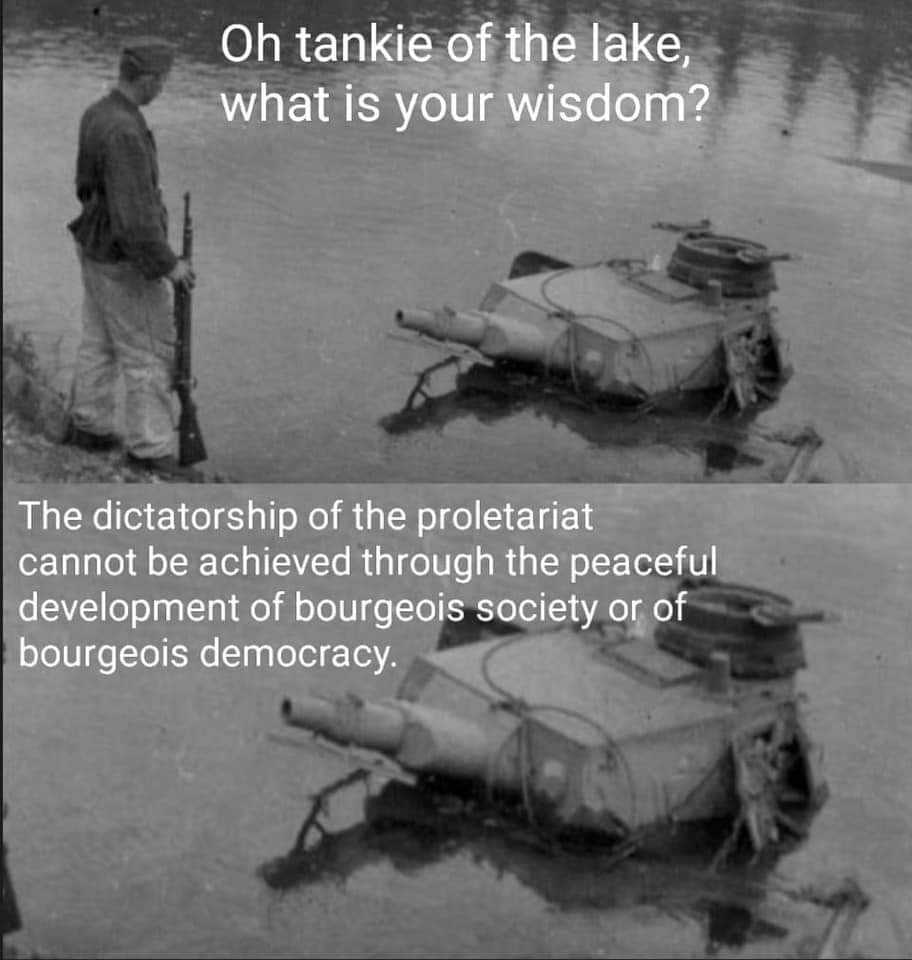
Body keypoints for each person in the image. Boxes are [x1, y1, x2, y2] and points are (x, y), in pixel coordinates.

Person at [66, 37, 198, 479]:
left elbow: (86, 188)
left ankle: (90, 426)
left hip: (94, 246)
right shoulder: (124, 129)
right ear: (146, 79)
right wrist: (169, 264)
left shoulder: (99, 112)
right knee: (149, 353)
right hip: (124, 260)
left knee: (99, 342)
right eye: (161, 79)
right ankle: (150, 449)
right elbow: (137, 221)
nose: (163, 87)